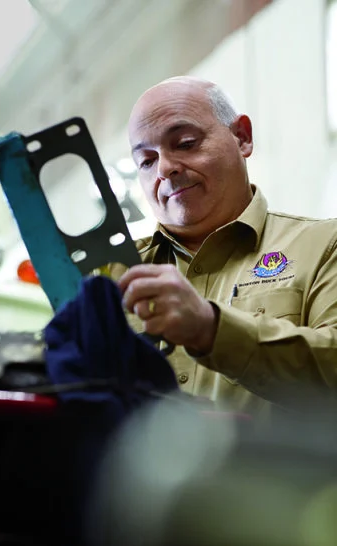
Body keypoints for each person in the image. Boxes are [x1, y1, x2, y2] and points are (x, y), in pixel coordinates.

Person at [114, 76, 337, 416]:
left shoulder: (324, 246)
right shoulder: (113, 272)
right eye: (146, 161)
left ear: (242, 137)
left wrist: (211, 328)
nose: (165, 169)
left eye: (185, 143)